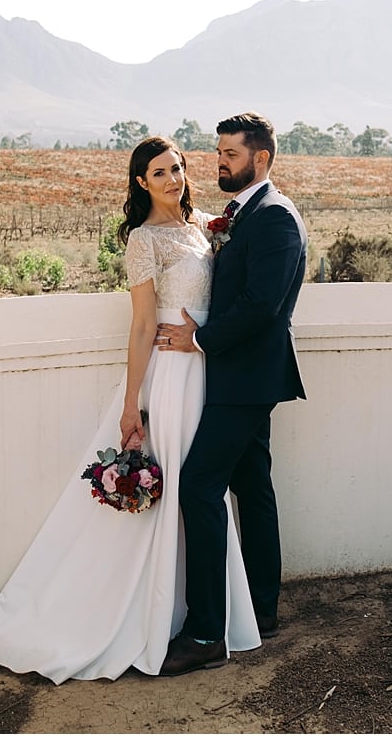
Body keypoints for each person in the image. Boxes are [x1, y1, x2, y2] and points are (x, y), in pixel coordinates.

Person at [0, 136, 261, 683]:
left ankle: (200, 618)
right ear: (141, 183)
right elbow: (144, 324)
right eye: (159, 172)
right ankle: (160, 617)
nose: (173, 179)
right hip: (170, 379)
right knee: (177, 491)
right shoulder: (144, 241)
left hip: (209, 372)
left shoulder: (205, 227)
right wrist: (132, 405)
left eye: (177, 168)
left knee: (202, 493)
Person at [154, 112, 307, 676]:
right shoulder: (245, 217)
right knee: (252, 485)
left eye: (231, 155)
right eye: (218, 153)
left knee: (198, 486)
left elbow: (262, 306)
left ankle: (205, 633)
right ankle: (262, 609)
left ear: (260, 159)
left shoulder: (274, 219)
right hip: (238, 376)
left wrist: (200, 339)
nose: (219, 162)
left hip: (244, 379)